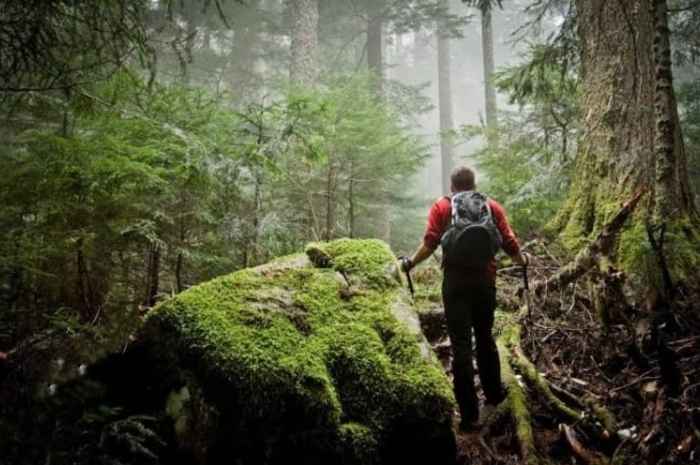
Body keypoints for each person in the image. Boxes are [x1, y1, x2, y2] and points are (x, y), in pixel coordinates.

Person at [401, 166, 527, 430]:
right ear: (474, 184)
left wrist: (410, 264)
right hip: (485, 281)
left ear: (452, 187)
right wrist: (522, 260)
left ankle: (469, 416)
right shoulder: (491, 206)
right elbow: (509, 242)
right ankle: (493, 397)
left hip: (455, 283)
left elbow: (430, 242)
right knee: (485, 337)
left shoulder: (442, 207)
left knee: (460, 345)